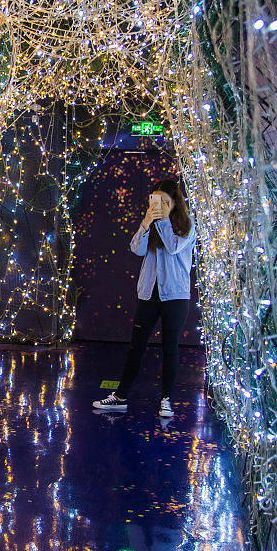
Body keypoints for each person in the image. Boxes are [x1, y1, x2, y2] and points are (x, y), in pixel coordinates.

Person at [93, 178, 197, 418]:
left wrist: (161, 221)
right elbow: (136, 249)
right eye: (154, 199)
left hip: (175, 295)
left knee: (170, 348)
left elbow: (173, 247)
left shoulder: (186, 225)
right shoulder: (152, 224)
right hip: (149, 293)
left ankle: (166, 399)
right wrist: (147, 222)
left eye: (164, 201)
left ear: (174, 202)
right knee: (135, 347)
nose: (159, 204)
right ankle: (120, 396)